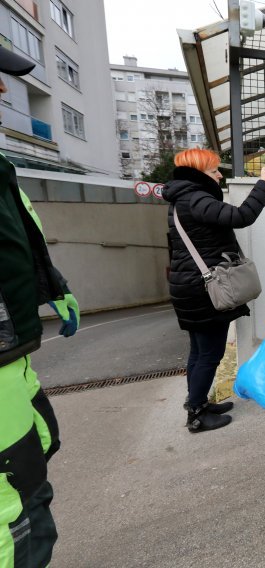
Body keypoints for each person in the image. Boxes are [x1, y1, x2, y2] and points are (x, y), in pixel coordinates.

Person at [1, 46, 80, 567]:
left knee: (32, 482)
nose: (4, 90)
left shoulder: (2, 169)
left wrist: (53, 286)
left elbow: (24, 235)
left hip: (14, 361)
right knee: (13, 516)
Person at [162, 149, 265, 433]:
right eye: (214, 171)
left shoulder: (183, 198)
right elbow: (242, 216)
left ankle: (198, 403)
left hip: (190, 286)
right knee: (209, 354)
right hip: (202, 291)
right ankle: (197, 414)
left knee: (199, 352)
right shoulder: (196, 198)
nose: (219, 175)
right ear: (200, 173)